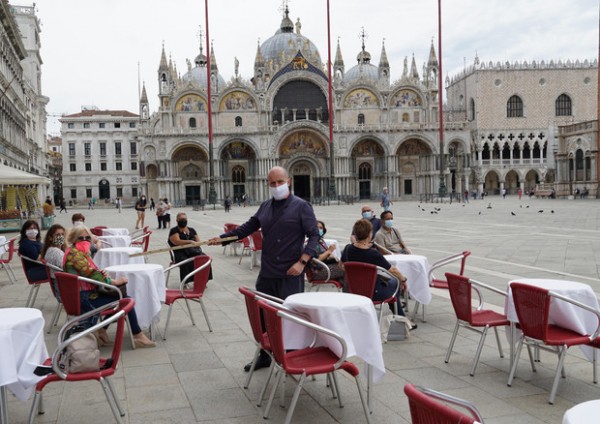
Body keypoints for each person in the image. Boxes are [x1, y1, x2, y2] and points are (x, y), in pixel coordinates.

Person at [208, 166, 319, 372]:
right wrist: (222, 239)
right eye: (272, 183)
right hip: (268, 271)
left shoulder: (302, 206)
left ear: (289, 181)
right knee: (262, 315)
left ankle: (292, 356)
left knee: (289, 315)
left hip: (290, 271)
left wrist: (302, 262)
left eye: (279, 182)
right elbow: (246, 228)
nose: (276, 186)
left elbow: (314, 236)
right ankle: (264, 355)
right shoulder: (265, 207)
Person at [63, 225, 155, 348]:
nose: (85, 240)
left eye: (87, 238)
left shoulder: (78, 252)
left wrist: (102, 274)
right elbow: (91, 274)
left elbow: (92, 272)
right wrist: (114, 281)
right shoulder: (75, 255)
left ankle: (104, 330)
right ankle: (137, 335)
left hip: (83, 294)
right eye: (81, 238)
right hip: (84, 298)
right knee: (125, 300)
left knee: (121, 298)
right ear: (73, 239)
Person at [342, 218, 408, 318]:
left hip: (353, 289)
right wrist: (403, 279)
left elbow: (341, 266)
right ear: (369, 234)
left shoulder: (348, 248)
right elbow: (393, 270)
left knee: (391, 283)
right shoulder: (373, 253)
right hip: (373, 292)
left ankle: (400, 315)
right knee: (395, 282)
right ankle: (400, 316)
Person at [168, 212, 213, 282]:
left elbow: (198, 242)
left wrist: (195, 243)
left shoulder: (191, 230)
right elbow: (177, 241)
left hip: (192, 251)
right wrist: (190, 242)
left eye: (184, 219)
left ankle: (203, 279)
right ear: (177, 220)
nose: (183, 221)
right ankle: (186, 282)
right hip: (179, 253)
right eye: (181, 219)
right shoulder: (174, 230)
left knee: (205, 258)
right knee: (186, 261)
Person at [307, 220, 346, 289]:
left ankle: (344, 288)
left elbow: (324, 256)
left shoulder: (321, 241)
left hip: (324, 267)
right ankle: (347, 291)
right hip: (317, 271)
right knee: (346, 270)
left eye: (321, 228)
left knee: (344, 266)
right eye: (317, 228)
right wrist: (328, 251)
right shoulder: (311, 243)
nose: (319, 230)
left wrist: (329, 256)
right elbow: (315, 261)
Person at [41, 224, 67, 297]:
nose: (61, 237)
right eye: (58, 235)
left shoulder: (49, 249)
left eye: (62, 234)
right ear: (50, 238)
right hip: (64, 289)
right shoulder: (57, 252)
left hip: (58, 286)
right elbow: (67, 268)